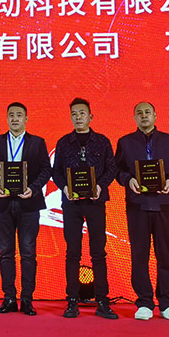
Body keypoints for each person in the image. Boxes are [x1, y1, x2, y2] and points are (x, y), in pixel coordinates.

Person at [115, 102, 169, 322]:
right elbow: (117, 169)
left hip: (163, 204)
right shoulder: (125, 142)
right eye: (139, 113)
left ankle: (167, 304)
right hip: (137, 205)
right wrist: (128, 180)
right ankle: (144, 302)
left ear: (155, 115)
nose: (144, 116)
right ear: (134, 118)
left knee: (165, 254)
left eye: (147, 112)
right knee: (139, 255)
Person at [0, 102, 51, 316]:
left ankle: (27, 299)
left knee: (28, 252)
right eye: (11, 115)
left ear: (26, 119)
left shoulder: (37, 142)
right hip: (2, 203)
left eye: (19, 115)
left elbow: (46, 169)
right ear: (7, 118)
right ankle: (9, 298)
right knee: (6, 252)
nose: (15, 119)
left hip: (28, 203)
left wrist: (33, 188)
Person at [52, 98, 118, 319]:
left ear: (91, 116)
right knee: (72, 253)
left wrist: (100, 185)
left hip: (95, 202)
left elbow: (112, 167)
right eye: (74, 114)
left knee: (98, 253)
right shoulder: (63, 143)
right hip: (71, 203)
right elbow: (56, 171)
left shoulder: (102, 141)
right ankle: (72, 300)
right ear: (70, 117)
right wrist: (64, 187)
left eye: (82, 113)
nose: (78, 117)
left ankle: (103, 301)